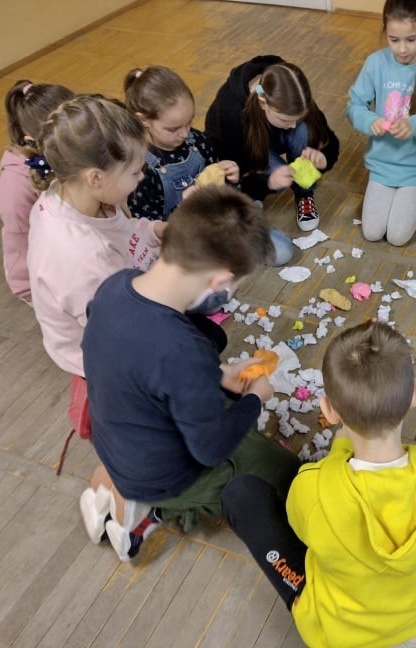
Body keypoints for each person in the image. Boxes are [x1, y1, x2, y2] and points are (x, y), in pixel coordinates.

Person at [80, 185, 301, 562]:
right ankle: (154, 511)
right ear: (220, 281)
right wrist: (254, 399)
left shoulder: (115, 285)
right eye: (235, 285)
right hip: (161, 475)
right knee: (288, 476)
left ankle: (116, 486)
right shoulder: (183, 351)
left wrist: (216, 373)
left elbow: (136, 360)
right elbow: (211, 449)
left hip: (115, 438)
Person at [222, 321, 416, 648]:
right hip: (413, 622)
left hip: (335, 635)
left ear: (328, 410)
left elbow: (302, 532)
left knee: (240, 495)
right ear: (415, 393)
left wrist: (339, 452)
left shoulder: (313, 488)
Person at [27, 94, 165, 378]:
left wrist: (155, 231)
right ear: (96, 178)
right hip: (110, 355)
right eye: (135, 172)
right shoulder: (80, 256)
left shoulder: (81, 194)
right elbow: (122, 331)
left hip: (130, 305)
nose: (141, 178)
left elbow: (122, 233)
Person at [123, 65, 294, 265]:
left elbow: (224, 196)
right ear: (144, 120)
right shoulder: (140, 168)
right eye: (173, 129)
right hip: (180, 242)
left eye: (189, 123)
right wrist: (185, 207)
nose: (184, 134)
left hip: (217, 225)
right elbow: (148, 231)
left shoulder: (196, 140)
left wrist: (231, 180)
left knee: (282, 251)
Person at [346, 0, 416, 246]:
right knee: (372, 232)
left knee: (397, 237)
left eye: (411, 39)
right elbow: (354, 106)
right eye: (394, 40)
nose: (402, 49)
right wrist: (370, 120)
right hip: (382, 165)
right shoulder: (376, 62)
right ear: (384, 30)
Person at [205, 55, 339, 232]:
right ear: (263, 103)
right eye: (285, 119)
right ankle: (251, 194)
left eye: (297, 118)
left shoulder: (295, 94)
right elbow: (228, 166)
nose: (292, 125)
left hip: (264, 140)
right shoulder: (230, 110)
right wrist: (265, 183)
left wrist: (323, 159)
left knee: (304, 129)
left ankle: (304, 194)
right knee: (273, 175)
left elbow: (329, 140)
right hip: (247, 150)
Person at [0, 79, 74, 304]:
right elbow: (20, 252)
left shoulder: (72, 153)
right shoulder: (14, 187)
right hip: (50, 288)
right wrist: (38, 296)